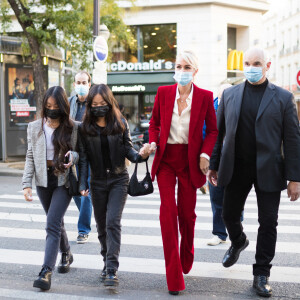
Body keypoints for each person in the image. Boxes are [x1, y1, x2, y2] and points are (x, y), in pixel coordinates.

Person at [208, 47, 300, 297]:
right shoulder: (229, 94)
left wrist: (295, 178)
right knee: (228, 215)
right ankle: (238, 241)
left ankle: (261, 274)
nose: (251, 67)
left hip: (269, 169)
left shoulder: (283, 97)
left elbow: (292, 139)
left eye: (257, 63)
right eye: (247, 63)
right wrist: (213, 164)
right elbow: (220, 134)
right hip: (236, 167)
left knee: (268, 222)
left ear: (267, 65)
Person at [140, 50, 218, 295]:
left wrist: (205, 155)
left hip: (189, 161)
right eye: (178, 66)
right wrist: (152, 141)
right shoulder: (163, 93)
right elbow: (154, 123)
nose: (181, 71)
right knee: (168, 213)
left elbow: (214, 131)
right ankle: (173, 276)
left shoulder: (205, 97)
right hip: (165, 160)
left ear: (195, 71)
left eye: (186, 67)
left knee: (187, 214)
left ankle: (188, 250)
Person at [77, 84, 149, 287]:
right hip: (97, 182)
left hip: (119, 179)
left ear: (110, 103)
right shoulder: (85, 128)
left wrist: (140, 156)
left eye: (103, 103)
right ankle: (105, 261)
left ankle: (111, 268)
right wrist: (82, 183)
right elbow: (83, 159)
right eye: (95, 104)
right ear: (90, 106)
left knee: (112, 223)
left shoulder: (120, 123)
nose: (99, 107)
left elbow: (129, 150)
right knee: (101, 227)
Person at [22, 86, 80, 290]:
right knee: (55, 221)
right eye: (48, 106)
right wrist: (26, 184)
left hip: (63, 180)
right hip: (42, 180)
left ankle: (46, 271)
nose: (52, 109)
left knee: (52, 223)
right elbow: (30, 156)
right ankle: (66, 252)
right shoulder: (34, 127)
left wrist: (73, 157)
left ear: (63, 106)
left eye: (56, 106)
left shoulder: (73, 128)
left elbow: (79, 154)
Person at [206, 84, 231, 246]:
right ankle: (219, 233)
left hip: (235, 160)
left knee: (234, 196)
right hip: (214, 160)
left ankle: (235, 223)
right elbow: (204, 133)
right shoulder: (210, 110)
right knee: (216, 197)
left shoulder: (239, 108)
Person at [69, 71, 93, 244]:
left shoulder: (94, 102)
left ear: (89, 84)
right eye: (78, 82)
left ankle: (83, 230)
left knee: (86, 191)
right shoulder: (69, 102)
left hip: (92, 152)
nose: (81, 85)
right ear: (74, 84)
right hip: (74, 152)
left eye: (84, 82)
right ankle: (88, 214)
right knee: (76, 190)